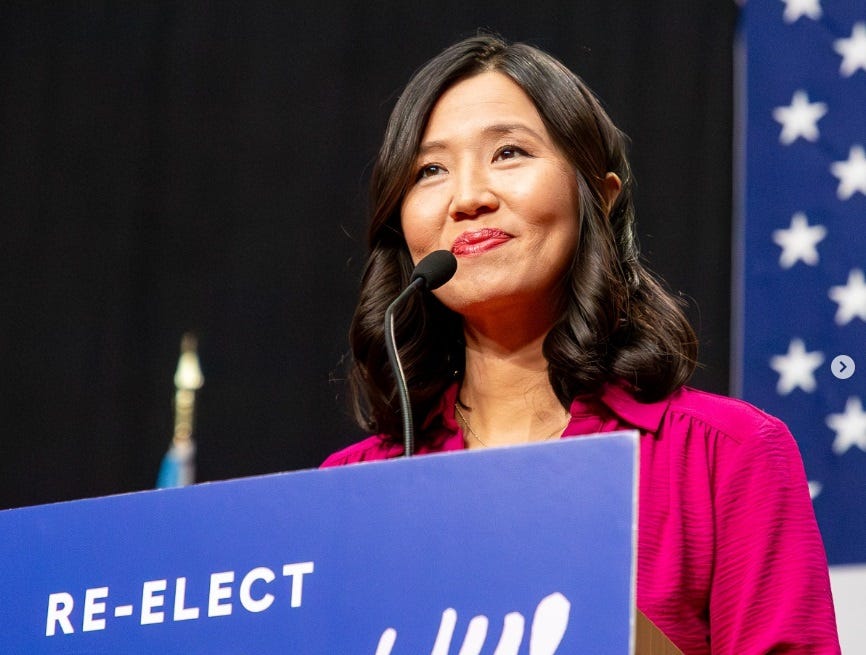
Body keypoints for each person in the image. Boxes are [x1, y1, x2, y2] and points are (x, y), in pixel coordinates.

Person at [321, 34, 840, 654]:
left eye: (509, 152)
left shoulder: (726, 456)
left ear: (599, 193)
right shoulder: (348, 490)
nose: (468, 198)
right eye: (429, 170)